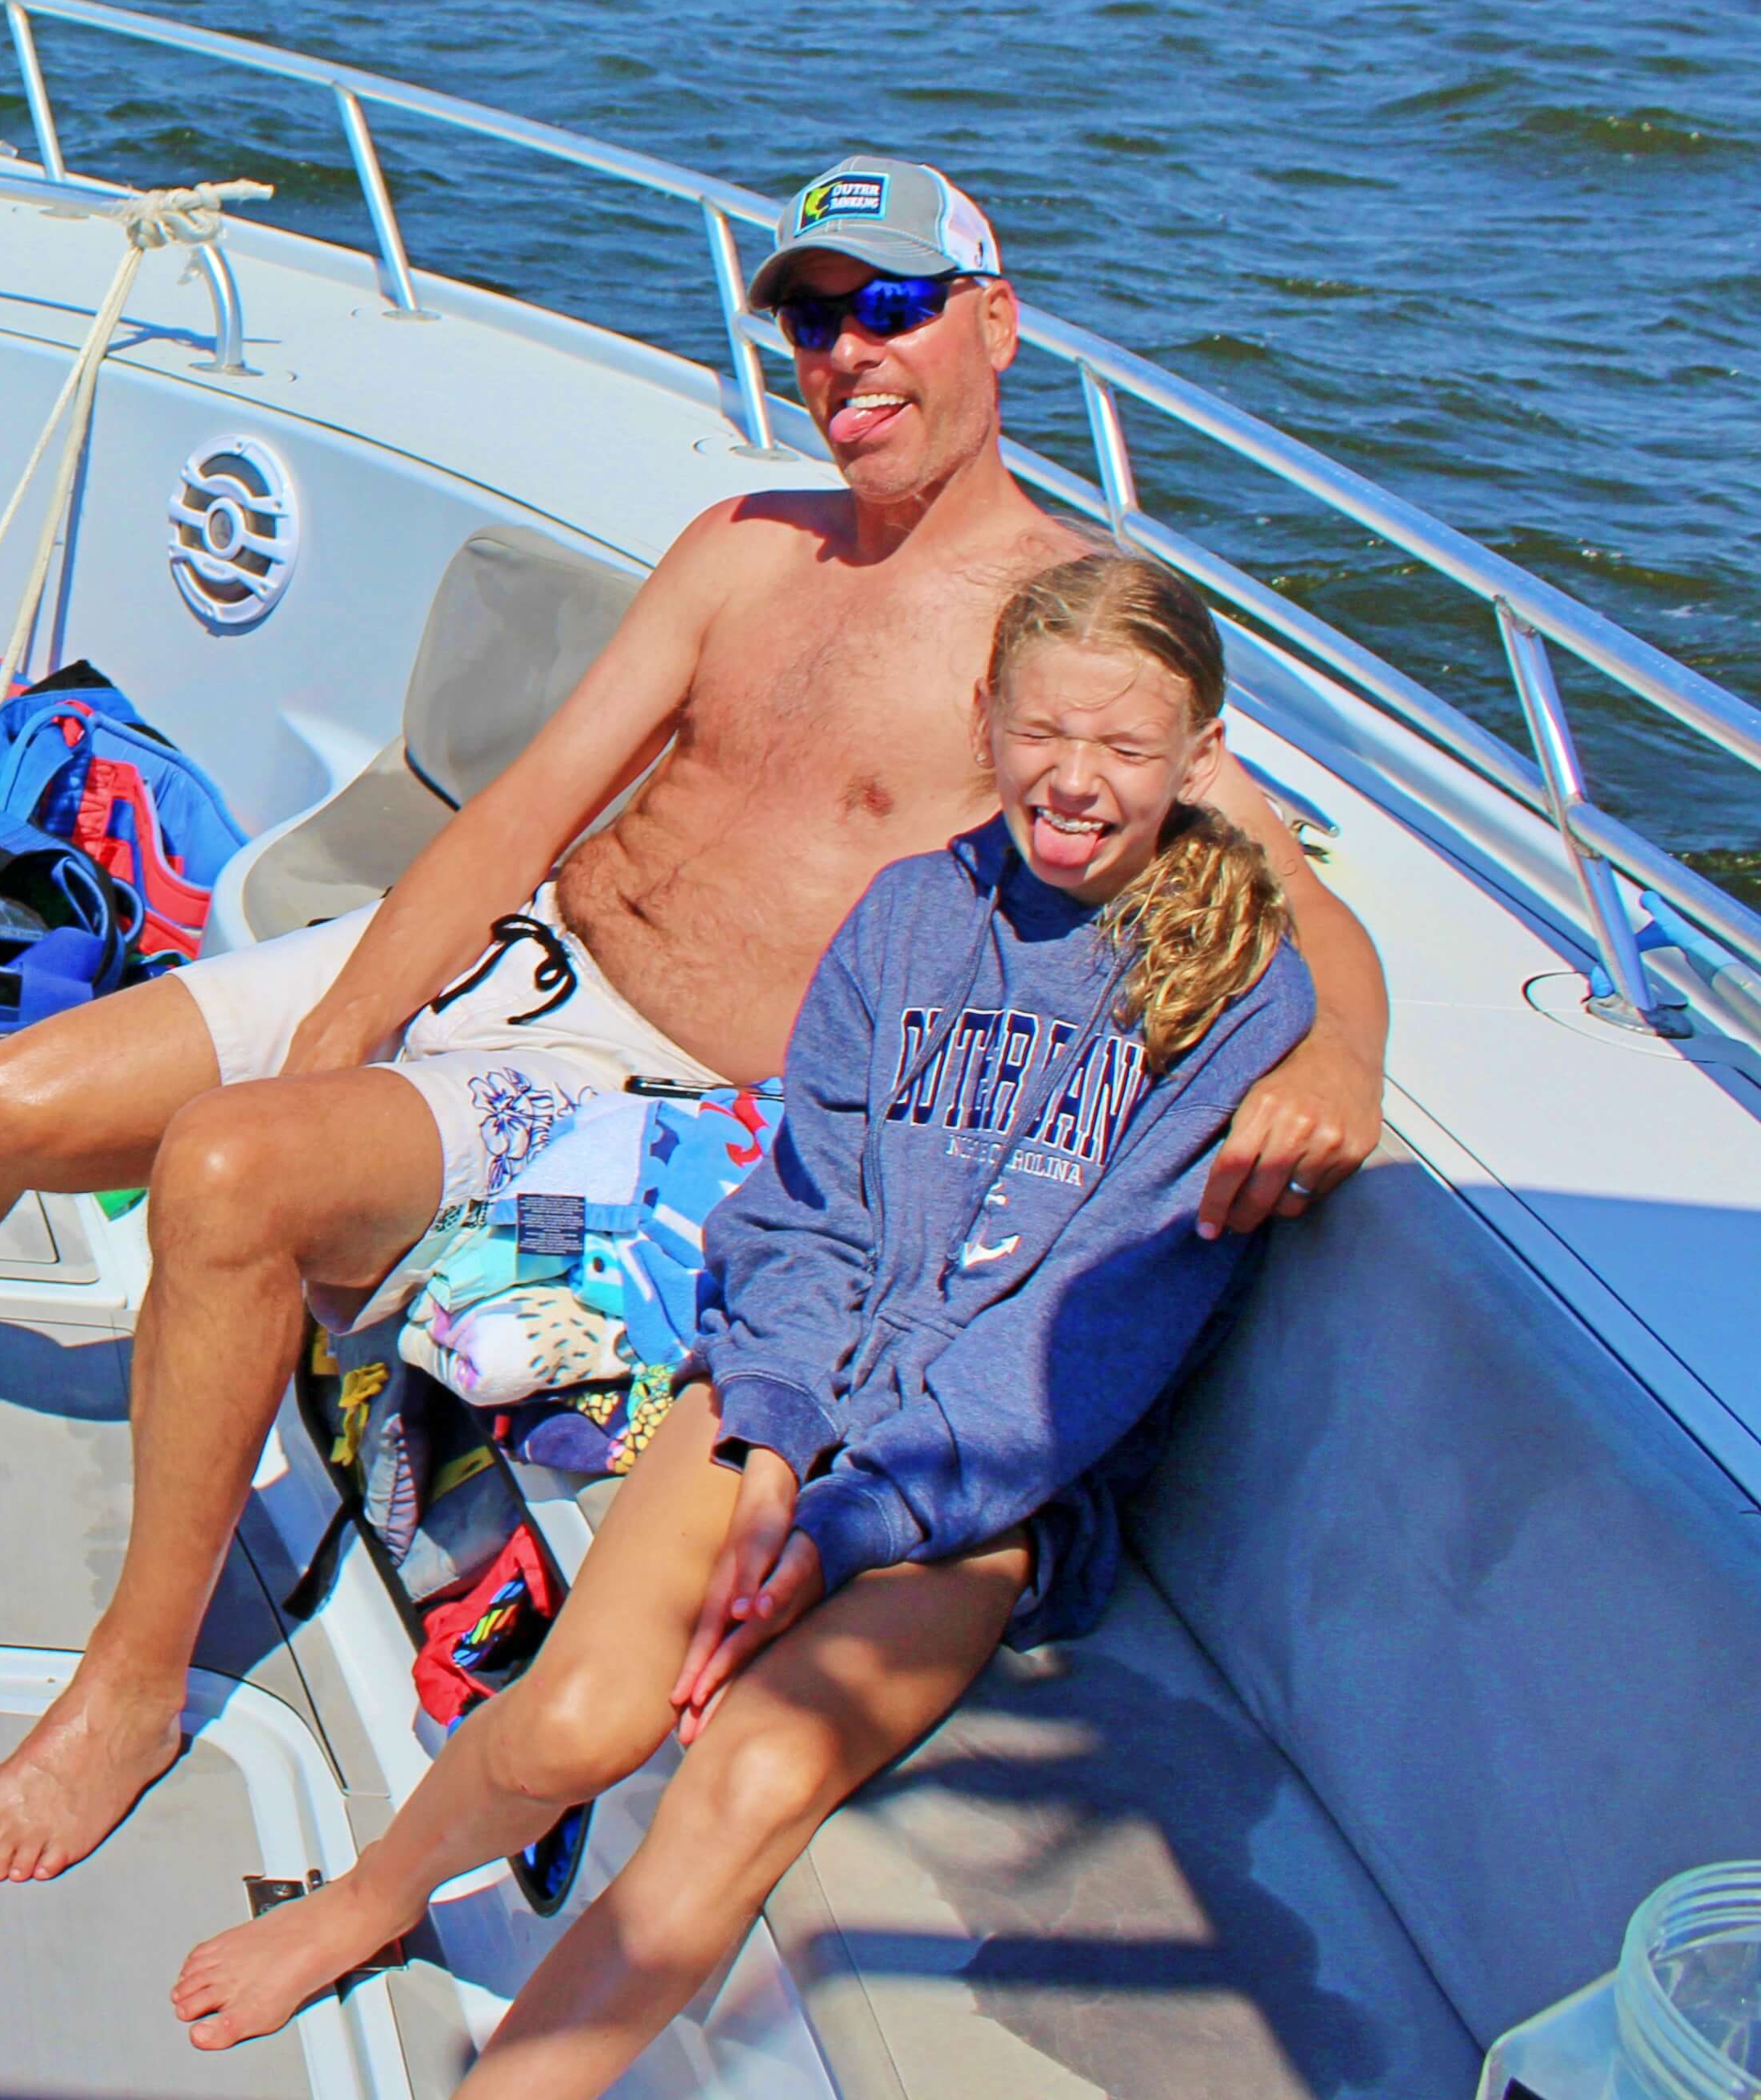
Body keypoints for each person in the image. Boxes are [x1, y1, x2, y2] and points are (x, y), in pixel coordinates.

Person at [0, 157, 1394, 1884]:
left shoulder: (1070, 642)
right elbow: (523, 813)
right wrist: (346, 1028)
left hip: (663, 1093)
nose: (849, 355)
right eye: (814, 322)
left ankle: (130, 1694)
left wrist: (1339, 1062)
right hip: (519, 952)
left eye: (897, 309)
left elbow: (1298, 897)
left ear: (997, 325)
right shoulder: (747, 548)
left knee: (227, 1174)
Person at [170, 554, 1310, 2081]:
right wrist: (772, 1442)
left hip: (986, 1494)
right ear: (983, 722)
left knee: (754, 1777)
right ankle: (370, 1900)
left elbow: (1076, 1354)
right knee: (579, 1722)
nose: (1079, 782)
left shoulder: (1237, 999)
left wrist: (839, 1533)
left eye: (1125, 747)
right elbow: (806, 1211)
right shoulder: (910, 916)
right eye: (1045, 732)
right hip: (793, 1391)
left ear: (1198, 756)